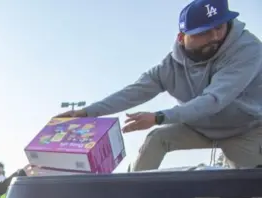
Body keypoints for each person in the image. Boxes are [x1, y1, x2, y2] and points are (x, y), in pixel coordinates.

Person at [55, 0, 262, 171]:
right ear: (182, 37)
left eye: (219, 27)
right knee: (156, 139)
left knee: (246, 193)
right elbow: (133, 93)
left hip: (244, 131)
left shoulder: (247, 50)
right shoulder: (169, 67)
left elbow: (213, 100)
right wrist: (87, 112)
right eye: (204, 32)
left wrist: (159, 117)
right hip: (199, 127)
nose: (216, 37)